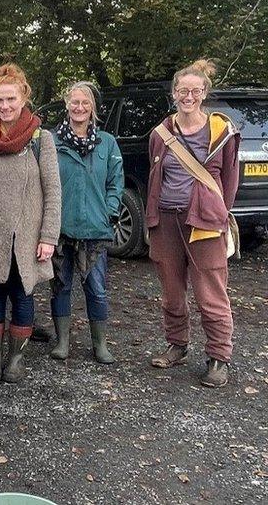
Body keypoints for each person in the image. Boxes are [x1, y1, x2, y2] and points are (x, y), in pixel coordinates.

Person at [0, 63, 61, 384]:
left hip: (27, 238)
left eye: (10, 100)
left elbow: (53, 191)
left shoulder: (40, 139)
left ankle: (15, 359)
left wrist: (48, 236)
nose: (4, 107)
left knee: (22, 296)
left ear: (23, 98)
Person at [146, 59, 240, 388]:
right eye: (182, 91)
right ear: (174, 94)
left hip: (205, 224)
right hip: (166, 221)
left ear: (204, 94)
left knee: (210, 294)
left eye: (195, 91)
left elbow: (230, 180)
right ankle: (177, 345)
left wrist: (217, 213)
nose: (188, 96)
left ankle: (218, 357)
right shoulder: (161, 133)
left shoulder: (222, 132)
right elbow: (155, 174)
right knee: (171, 292)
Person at [47, 82, 123, 364]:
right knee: (60, 285)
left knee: (96, 287)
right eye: (74, 102)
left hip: (95, 228)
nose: (79, 108)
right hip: (61, 227)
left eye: (85, 103)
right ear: (67, 105)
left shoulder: (108, 142)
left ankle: (99, 344)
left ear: (93, 108)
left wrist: (110, 211)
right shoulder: (52, 141)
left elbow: (116, 181)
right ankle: (62, 341)